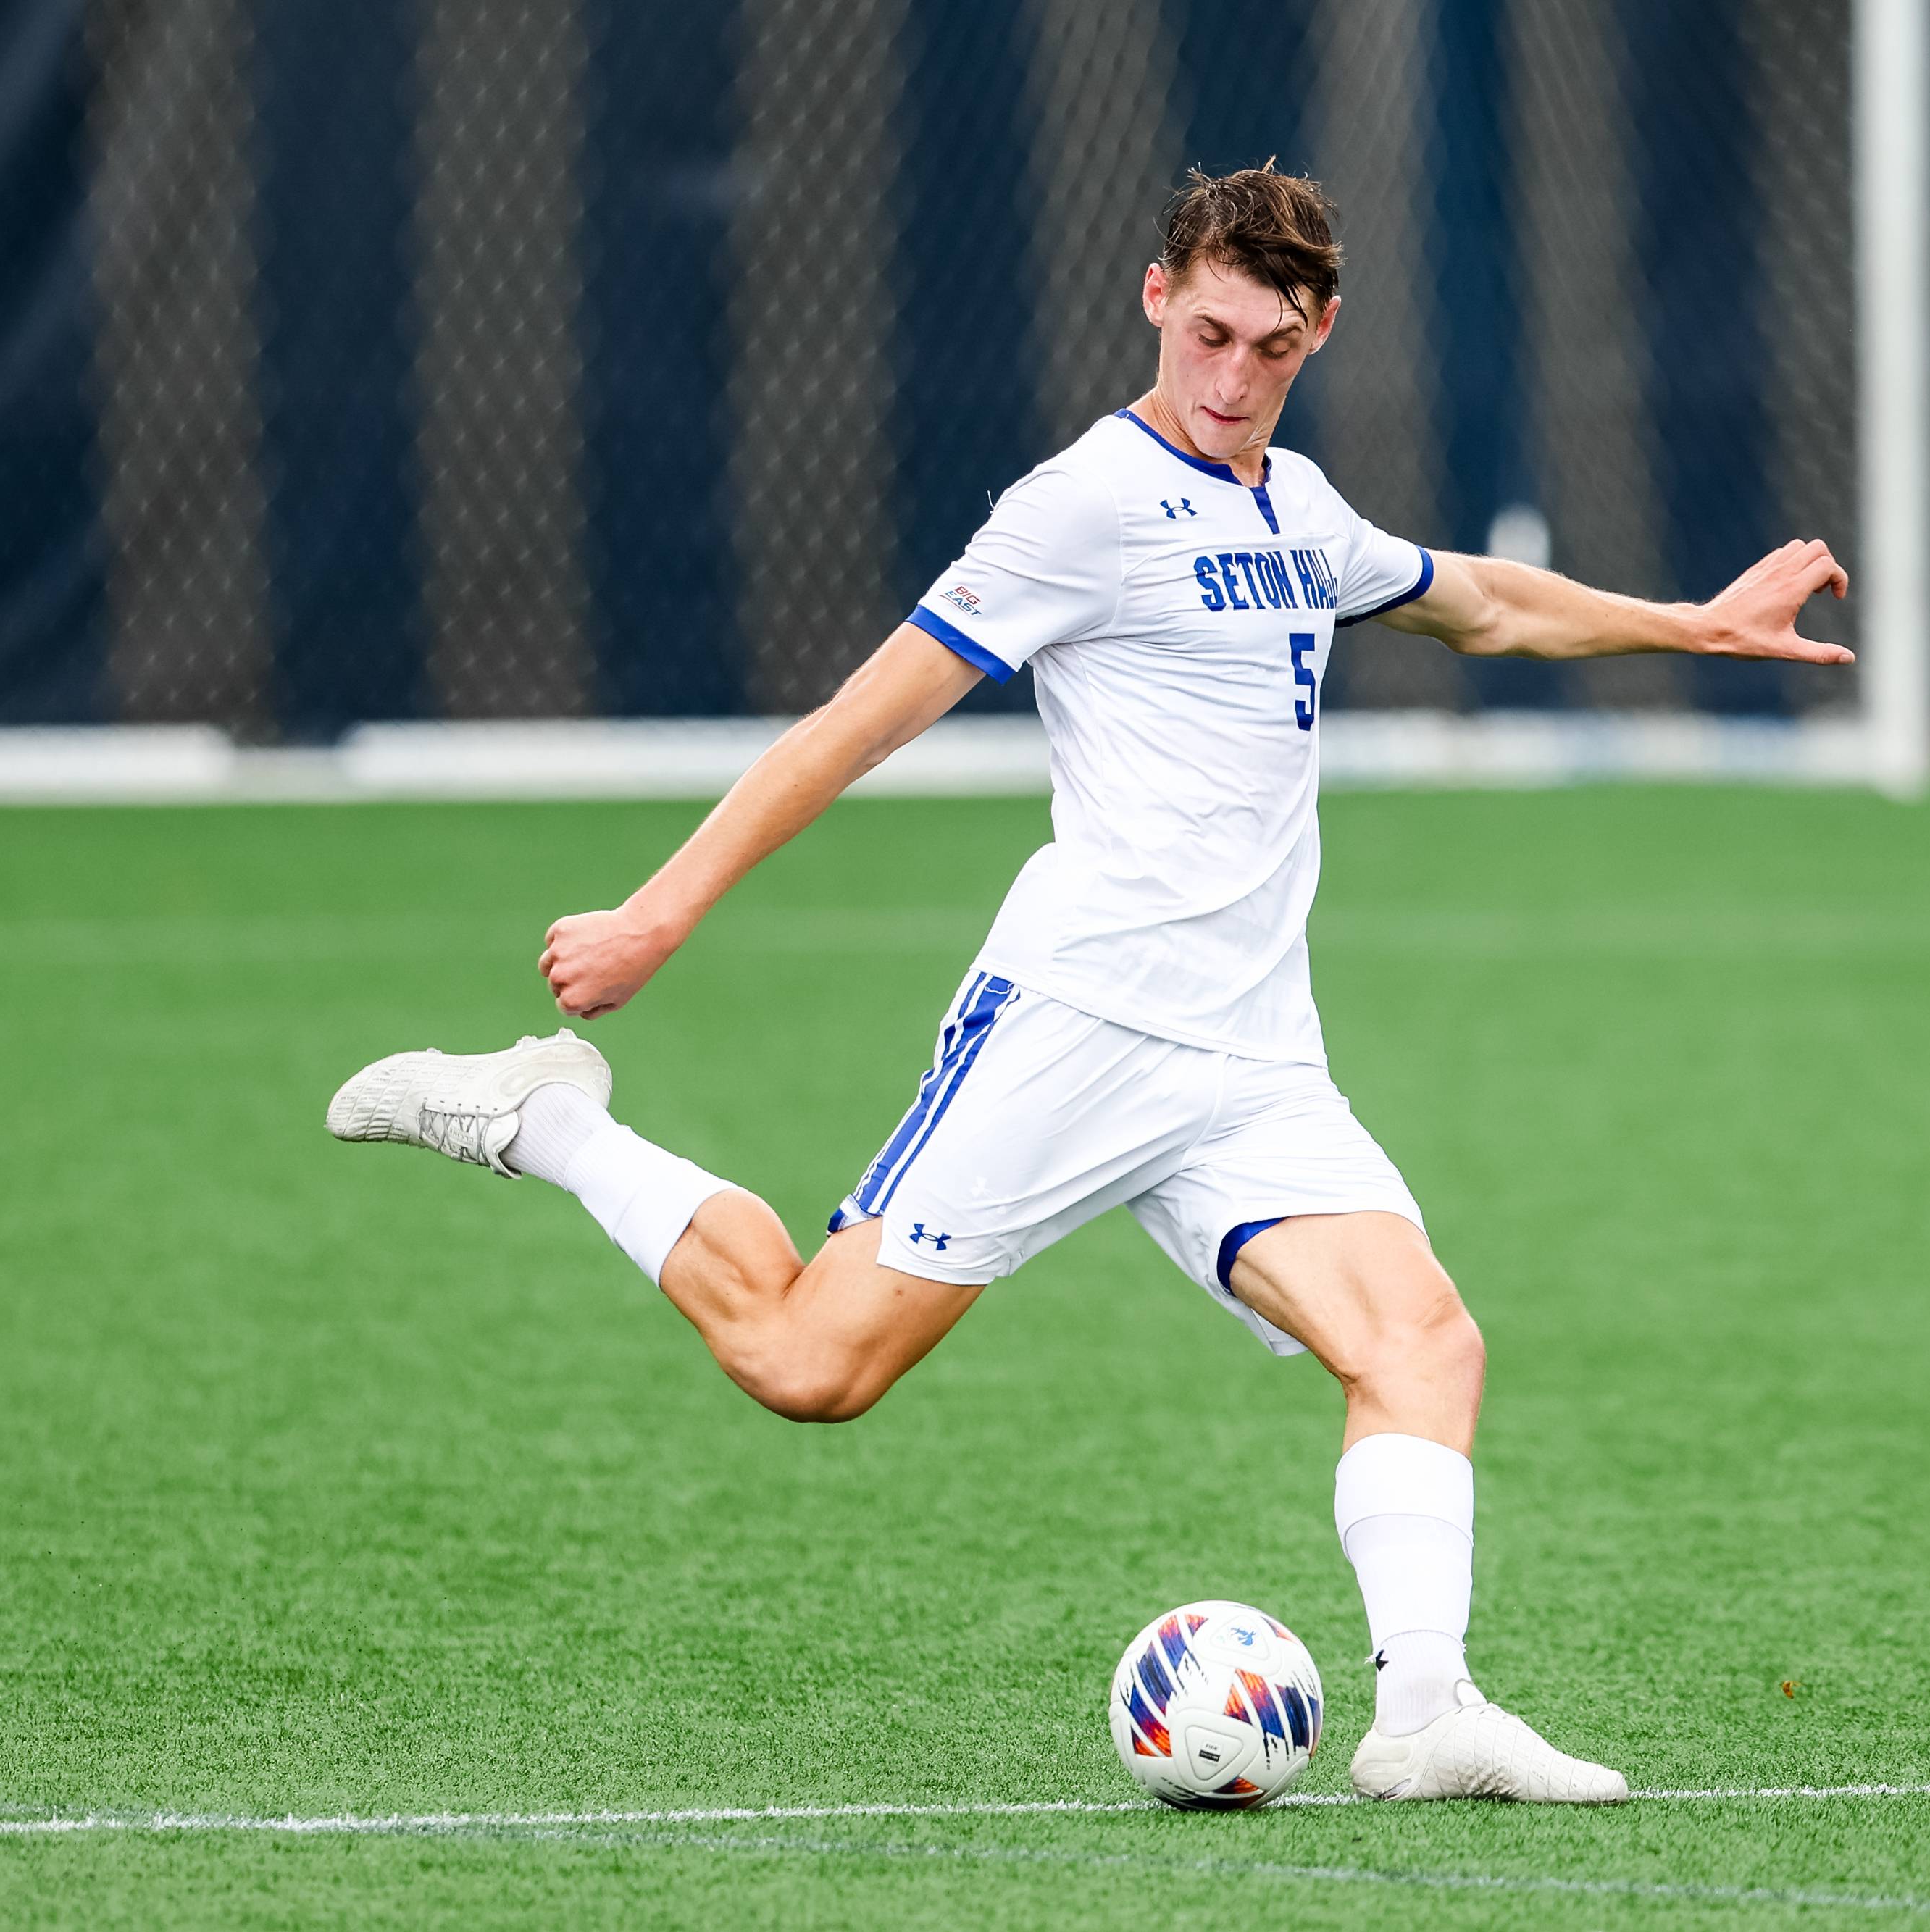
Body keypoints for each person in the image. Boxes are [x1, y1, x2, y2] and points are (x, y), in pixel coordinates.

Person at [330, 164, 1850, 1803]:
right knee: (805, 1365)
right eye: (1203, 332)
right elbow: (854, 720)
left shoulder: (1298, 507)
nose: (1225, 376)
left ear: (1317, 331)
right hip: (1073, 1028)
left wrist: (1692, 627)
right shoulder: (1082, 505)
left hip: (1253, 1060)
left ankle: (1425, 1712)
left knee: (1421, 1341)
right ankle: (551, 1119)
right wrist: (657, 910)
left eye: (1266, 347)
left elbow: (1472, 598)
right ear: (1152, 298)